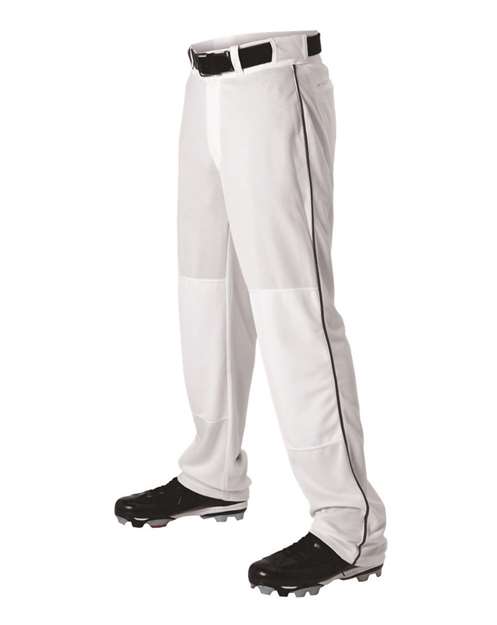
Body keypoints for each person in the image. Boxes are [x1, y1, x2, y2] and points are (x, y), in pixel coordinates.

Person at [115, 30, 387, 598]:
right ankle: (212, 473)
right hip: (203, 85)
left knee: (293, 304)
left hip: (274, 79)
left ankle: (347, 525)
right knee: (205, 290)